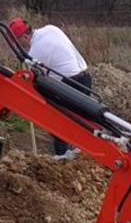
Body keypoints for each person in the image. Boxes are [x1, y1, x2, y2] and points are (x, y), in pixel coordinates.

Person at [8, 17, 93, 160]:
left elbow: (37, 80)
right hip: (85, 78)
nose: (20, 47)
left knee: (58, 121)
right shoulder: (50, 29)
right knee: (80, 121)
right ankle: (80, 153)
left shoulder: (35, 52)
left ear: (25, 36)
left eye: (18, 42)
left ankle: (62, 158)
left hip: (70, 83)